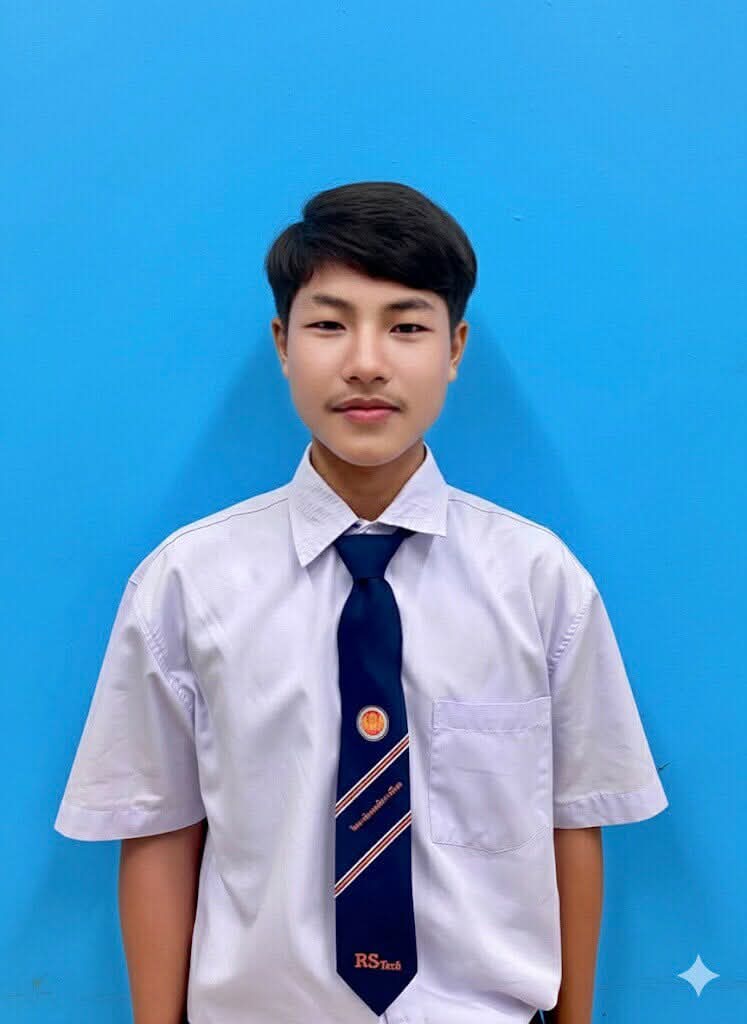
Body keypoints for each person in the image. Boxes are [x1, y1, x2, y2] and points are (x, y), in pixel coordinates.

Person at [54, 181, 668, 1024]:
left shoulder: (537, 580)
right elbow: (159, 828)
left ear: (454, 348)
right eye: (329, 324)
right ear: (282, 343)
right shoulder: (187, 582)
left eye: (406, 326)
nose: (367, 362)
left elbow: (571, 821)